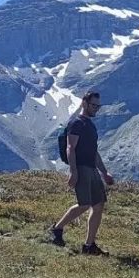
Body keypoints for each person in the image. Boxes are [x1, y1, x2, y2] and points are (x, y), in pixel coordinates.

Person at [49, 92, 114, 254]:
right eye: (94, 105)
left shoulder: (90, 125)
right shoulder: (76, 123)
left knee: (98, 205)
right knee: (85, 203)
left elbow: (94, 151)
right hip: (82, 168)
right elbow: (70, 147)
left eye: (98, 106)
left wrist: (104, 172)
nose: (96, 109)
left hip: (92, 168)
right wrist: (73, 171)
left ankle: (89, 245)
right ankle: (57, 229)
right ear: (84, 103)